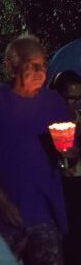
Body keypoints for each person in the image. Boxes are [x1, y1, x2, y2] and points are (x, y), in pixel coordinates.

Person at [0, 35, 71, 264]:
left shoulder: (54, 103)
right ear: (11, 66)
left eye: (42, 65)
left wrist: (68, 152)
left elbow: (69, 153)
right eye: (31, 65)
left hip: (44, 214)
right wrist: (2, 202)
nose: (39, 71)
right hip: (1, 216)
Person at [50, 70, 81, 264]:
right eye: (71, 98)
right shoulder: (48, 120)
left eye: (79, 98)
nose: (76, 103)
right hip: (57, 184)